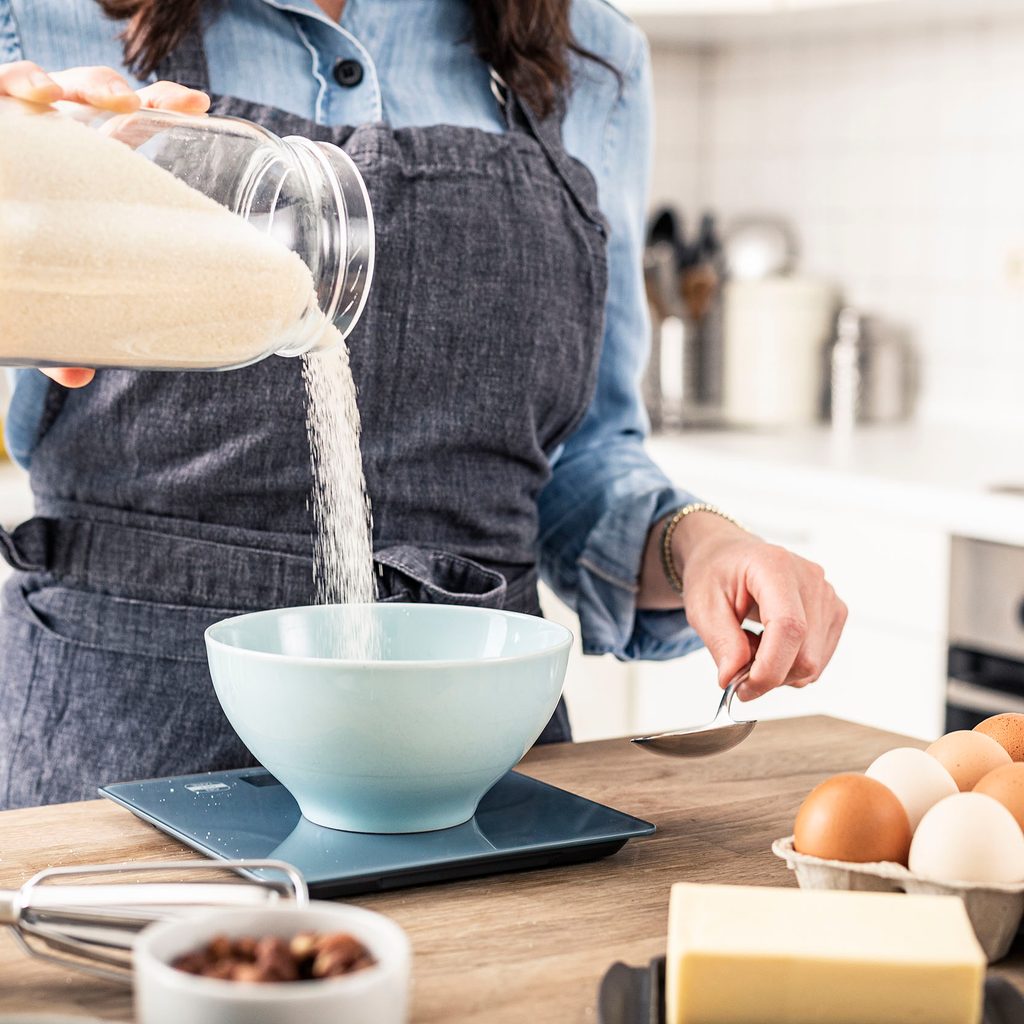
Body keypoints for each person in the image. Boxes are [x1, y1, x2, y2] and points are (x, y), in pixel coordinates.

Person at [0, 0, 846, 810]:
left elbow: (580, 459)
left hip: (476, 767)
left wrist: (695, 544)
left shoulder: (589, 47)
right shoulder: (33, 17)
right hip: (117, 745)